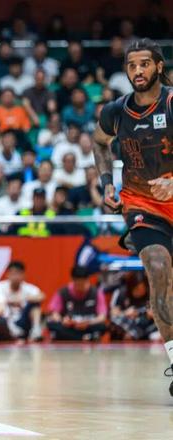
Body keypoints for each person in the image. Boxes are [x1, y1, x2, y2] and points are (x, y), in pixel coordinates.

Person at [92, 38, 173, 395]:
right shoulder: (115, 112)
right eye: (131, 65)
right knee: (156, 269)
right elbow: (99, 143)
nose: (137, 71)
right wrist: (106, 183)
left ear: (159, 66)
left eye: (144, 64)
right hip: (142, 205)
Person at [46, 266, 108, 341]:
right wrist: (63, 320)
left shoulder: (97, 293)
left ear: (88, 280)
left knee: (102, 326)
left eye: (84, 283)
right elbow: (54, 313)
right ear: (73, 280)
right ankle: (86, 338)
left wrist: (89, 323)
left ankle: (74, 337)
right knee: (52, 325)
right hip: (69, 327)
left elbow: (102, 317)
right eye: (78, 284)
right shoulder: (63, 292)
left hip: (88, 326)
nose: (81, 287)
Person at [0, 261, 44, 341]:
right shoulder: (0, 287)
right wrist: (9, 301)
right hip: (6, 321)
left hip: (22, 321)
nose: (15, 277)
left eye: (18, 274)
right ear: (7, 275)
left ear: (23, 275)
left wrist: (23, 298)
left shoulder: (28, 288)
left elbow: (41, 296)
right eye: (13, 274)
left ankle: (36, 330)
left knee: (35, 305)